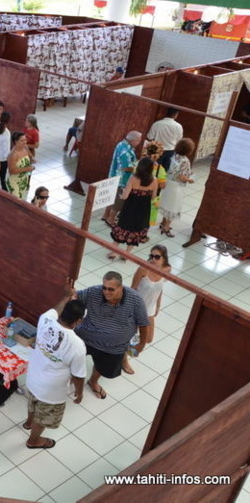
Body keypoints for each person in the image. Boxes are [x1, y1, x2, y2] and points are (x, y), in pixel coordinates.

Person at [23, 288, 87, 449]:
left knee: (32, 403)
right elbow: (78, 375)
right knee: (43, 417)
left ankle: (28, 423)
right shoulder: (77, 345)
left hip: (32, 377)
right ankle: (33, 440)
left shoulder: (45, 319)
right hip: (51, 390)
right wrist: (79, 392)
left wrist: (67, 297)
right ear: (78, 321)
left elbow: (55, 309)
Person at [72, 272, 149, 399]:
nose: (106, 292)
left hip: (114, 347)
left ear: (121, 288)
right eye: (104, 288)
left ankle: (93, 381)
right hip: (86, 337)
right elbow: (75, 296)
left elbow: (144, 324)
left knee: (104, 368)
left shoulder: (135, 300)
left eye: (111, 289)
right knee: (70, 358)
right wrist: (71, 296)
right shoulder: (94, 292)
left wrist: (141, 344)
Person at [123, 245, 171, 374]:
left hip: (149, 309)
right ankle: (124, 359)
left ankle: (125, 347)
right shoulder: (143, 269)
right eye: (151, 256)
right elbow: (132, 289)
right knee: (130, 335)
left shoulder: (167, 269)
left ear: (163, 258)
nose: (153, 259)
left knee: (148, 338)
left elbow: (160, 288)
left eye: (157, 256)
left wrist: (158, 305)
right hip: (136, 308)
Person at [109, 157, 158, 260]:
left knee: (123, 227)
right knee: (137, 230)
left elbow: (125, 196)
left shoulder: (133, 178)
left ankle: (114, 252)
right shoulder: (154, 181)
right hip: (143, 209)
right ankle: (126, 254)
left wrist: (122, 194)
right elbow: (153, 197)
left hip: (130, 208)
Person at [102, 131, 142, 227]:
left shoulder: (122, 144)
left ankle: (106, 214)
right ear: (132, 140)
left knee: (112, 197)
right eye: (138, 140)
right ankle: (111, 219)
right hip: (122, 179)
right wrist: (138, 168)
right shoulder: (125, 151)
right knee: (119, 199)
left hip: (114, 174)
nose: (139, 143)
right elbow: (126, 167)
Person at [159, 138, 196, 237]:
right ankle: (166, 227)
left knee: (166, 203)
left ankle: (163, 222)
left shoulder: (173, 155)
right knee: (173, 207)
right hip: (176, 186)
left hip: (168, 183)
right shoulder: (185, 161)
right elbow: (181, 176)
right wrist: (190, 180)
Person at [147, 107, 183, 172]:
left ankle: (152, 181)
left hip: (155, 149)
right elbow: (179, 141)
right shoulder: (178, 126)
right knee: (163, 171)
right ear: (176, 114)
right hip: (170, 151)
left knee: (153, 170)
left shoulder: (157, 124)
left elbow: (149, 137)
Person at [7, 131, 34, 200]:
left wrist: (32, 160)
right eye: (22, 140)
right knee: (16, 201)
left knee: (22, 199)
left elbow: (30, 157)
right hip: (14, 181)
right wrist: (27, 169)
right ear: (16, 142)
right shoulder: (13, 155)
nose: (25, 142)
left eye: (25, 140)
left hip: (23, 180)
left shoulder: (25, 148)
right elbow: (12, 171)